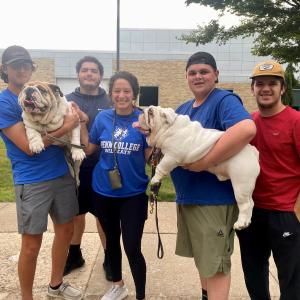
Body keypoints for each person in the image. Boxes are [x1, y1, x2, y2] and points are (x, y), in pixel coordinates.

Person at [170, 52, 257, 300]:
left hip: (214, 201)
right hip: (189, 199)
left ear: (216, 75)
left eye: (204, 71)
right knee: (203, 260)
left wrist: (205, 162)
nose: (198, 76)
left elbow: (246, 128)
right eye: (192, 72)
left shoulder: (224, 100)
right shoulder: (185, 109)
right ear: (186, 77)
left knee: (216, 266)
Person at [0, 45, 84, 300]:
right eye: (16, 65)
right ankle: (27, 297)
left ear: (33, 67)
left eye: (26, 64)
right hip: (32, 180)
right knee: (31, 244)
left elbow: (70, 119)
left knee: (66, 231)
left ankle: (55, 286)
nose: (22, 69)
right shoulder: (5, 103)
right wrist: (66, 126)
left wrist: (77, 119)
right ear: (5, 69)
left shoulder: (47, 94)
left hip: (61, 173)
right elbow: (27, 147)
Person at [81, 71, 151, 300]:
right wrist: (81, 124)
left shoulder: (144, 119)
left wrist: (154, 136)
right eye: (117, 91)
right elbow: (90, 149)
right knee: (111, 242)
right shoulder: (102, 118)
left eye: (126, 91)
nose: (121, 95)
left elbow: (151, 158)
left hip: (134, 194)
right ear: (111, 94)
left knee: (132, 246)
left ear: (134, 94)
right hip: (103, 191)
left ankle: (141, 294)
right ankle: (118, 285)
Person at [236, 60, 300, 300]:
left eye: (272, 84)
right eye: (259, 84)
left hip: (285, 213)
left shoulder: (295, 121)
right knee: (254, 276)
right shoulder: (247, 124)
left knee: (292, 281)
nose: (265, 88)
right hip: (251, 212)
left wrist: (296, 210)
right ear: (252, 89)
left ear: (282, 88)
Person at [64, 56, 112, 279]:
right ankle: (75, 255)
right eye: (85, 70)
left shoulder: (111, 101)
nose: (89, 74)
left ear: (100, 76)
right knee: (77, 213)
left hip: (104, 167)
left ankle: (109, 257)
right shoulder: (66, 101)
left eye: (94, 71)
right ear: (78, 74)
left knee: (104, 215)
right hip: (75, 167)